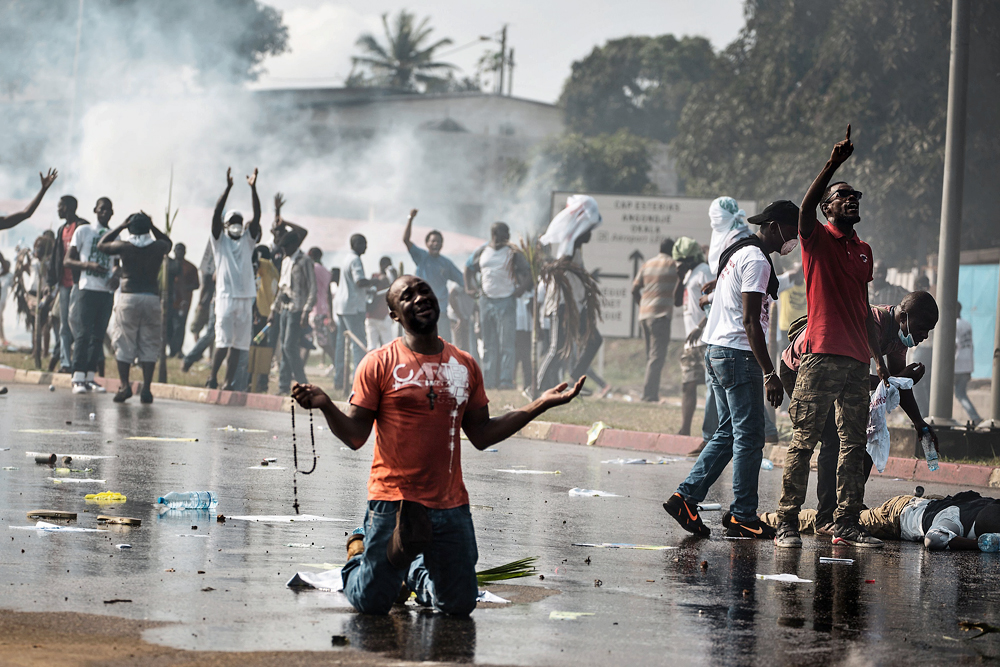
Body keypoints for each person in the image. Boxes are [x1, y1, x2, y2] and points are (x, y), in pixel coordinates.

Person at [290, 274, 585, 615]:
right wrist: (326, 404)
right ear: (395, 316)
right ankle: (360, 554)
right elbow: (356, 436)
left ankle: (413, 573)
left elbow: (483, 433)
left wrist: (540, 404)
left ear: (436, 300)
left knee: (458, 606)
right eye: (407, 296)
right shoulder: (378, 363)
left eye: (424, 291)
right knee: (371, 603)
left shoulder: (464, 364)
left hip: (450, 504)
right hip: (392, 502)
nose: (419, 298)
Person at [774, 126, 890, 550]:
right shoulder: (817, 238)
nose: (851, 198)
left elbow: (862, 306)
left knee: (852, 445)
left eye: (854, 194)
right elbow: (804, 208)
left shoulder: (864, 250)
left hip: (858, 361)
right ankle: (786, 522)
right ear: (827, 209)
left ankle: (846, 522)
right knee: (804, 441)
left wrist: (878, 360)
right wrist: (833, 163)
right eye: (842, 195)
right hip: (820, 355)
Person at [663, 200, 800, 540]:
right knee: (751, 436)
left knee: (728, 433)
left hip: (718, 351)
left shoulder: (744, 253)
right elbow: (751, 321)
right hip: (739, 355)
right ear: (774, 226)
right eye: (792, 230)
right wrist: (770, 372)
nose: (794, 238)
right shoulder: (755, 260)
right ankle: (742, 515)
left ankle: (685, 498)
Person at [778, 290, 940, 536]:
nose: (924, 336)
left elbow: (897, 383)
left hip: (841, 373)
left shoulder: (898, 337)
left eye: (929, 331)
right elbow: (858, 377)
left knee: (863, 436)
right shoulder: (873, 322)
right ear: (904, 317)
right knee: (831, 439)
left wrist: (920, 424)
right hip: (800, 367)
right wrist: (897, 380)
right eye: (922, 328)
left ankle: (847, 507)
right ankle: (825, 516)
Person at [762, 491, 1000, 551]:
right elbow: (933, 539)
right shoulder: (955, 521)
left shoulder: (988, 507)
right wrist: (979, 544)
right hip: (896, 516)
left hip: (929, 502)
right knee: (833, 522)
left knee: (854, 513)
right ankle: (767, 520)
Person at [97, 213, 172, 403]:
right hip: (151, 298)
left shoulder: (125, 247)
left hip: (129, 298)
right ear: (148, 229)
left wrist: (121, 226)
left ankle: (125, 385)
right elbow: (168, 242)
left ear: (130, 229)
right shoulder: (158, 247)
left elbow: (102, 245)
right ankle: (146, 388)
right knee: (149, 343)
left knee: (124, 341)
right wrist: (153, 226)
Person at [208, 167, 262, 390]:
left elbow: (257, 217)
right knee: (223, 342)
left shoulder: (248, 241)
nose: (238, 223)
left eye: (241, 220)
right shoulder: (220, 242)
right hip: (226, 298)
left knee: (238, 346)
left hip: (246, 298)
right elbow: (215, 215)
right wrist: (228, 188)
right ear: (226, 224)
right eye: (234, 220)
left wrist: (253, 188)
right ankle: (212, 377)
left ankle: (228, 382)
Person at [465, 223, 531, 390]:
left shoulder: (513, 252)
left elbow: (529, 272)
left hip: (506, 301)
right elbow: (468, 268)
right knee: (488, 343)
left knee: (506, 343)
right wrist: (469, 287)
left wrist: (520, 290)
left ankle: (505, 381)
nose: (508, 236)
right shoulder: (482, 251)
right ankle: (488, 381)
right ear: (495, 233)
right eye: (505, 232)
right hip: (486, 301)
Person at [64, 197, 115, 394]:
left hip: (106, 290)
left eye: (108, 210)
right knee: (83, 333)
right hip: (87, 287)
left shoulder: (113, 235)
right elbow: (68, 261)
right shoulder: (84, 231)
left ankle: (90, 377)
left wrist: (117, 275)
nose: (105, 213)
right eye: (102, 209)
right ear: (95, 210)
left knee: (98, 335)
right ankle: (77, 377)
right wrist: (88, 265)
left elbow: (117, 262)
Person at [672, 237, 713, 436]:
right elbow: (677, 303)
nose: (681, 264)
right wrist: (680, 278)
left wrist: (700, 326)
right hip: (691, 342)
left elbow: (714, 303)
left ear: (691, 258)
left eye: (683, 261)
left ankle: (711, 432)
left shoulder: (704, 271)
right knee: (687, 384)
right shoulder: (689, 274)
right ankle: (685, 429)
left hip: (705, 339)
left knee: (711, 389)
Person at [403, 209, 464, 342]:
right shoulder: (421, 256)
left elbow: (463, 280)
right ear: (427, 243)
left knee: (442, 344)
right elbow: (406, 240)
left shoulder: (446, 264)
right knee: (420, 344)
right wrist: (410, 219)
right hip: (420, 309)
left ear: (442, 244)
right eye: (433, 241)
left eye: (438, 241)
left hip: (440, 312)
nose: (435, 244)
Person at [631, 238, 677, 403]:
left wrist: (642, 304)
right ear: (672, 250)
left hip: (644, 315)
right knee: (657, 357)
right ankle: (649, 395)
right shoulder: (673, 265)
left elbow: (634, 289)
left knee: (650, 356)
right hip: (660, 315)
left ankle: (650, 392)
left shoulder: (648, 264)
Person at [48, 190, 87, 374]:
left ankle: (81, 361)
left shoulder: (82, 227)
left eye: (60, 206)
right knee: (64, 325)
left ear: (69, 208)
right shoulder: (61, 230)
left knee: (77, 323)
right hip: (64, 284)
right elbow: (57, 256)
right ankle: (65, 363)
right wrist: (51, 280)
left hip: (79, 282)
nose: (58, 210)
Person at [274, 231, 316, 395]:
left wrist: (306, 310)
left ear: (294, 245)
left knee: (289, 346)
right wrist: (274, 309)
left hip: (298, 310)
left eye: (286, 247)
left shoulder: (305, 261)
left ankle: (303, 382)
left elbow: (312, 287)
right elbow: (281, 287)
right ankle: (283, 386)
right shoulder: (285, 261)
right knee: (284, 347)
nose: (284, 250)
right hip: (285, 308)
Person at [333, 234, 372, 389]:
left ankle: (339, 381)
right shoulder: (355, 259)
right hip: (353, 307)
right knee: (358, 344)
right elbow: (360, 281)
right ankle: (359, 382)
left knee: (341, 345)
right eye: (364, 243)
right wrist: (376, 281)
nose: (366, 247)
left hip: (342, 306)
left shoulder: (346, 258)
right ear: (356, 244)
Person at [250, 245, 279, 393]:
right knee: (265, 350)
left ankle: (251, 380)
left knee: (254, 348)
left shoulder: (263, 265)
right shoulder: (274, 269)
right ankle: (262, 382)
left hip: (260, 312)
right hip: (268, 313)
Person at [165, 243, 199, 358]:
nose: (179, 252)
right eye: (177, 250)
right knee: (168, 326)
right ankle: (171, 349)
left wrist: (184, 288)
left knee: (180, 326)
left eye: (181, 250)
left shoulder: (190, 267)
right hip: (170, 301)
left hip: (183, 301)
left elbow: (196, 285)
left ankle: (178, 350)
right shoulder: (168, 265)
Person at [306, 247, 336, 377]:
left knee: (314, 341)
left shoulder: (312, 269)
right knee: (317, 341)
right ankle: (337, 363)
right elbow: (328, 293)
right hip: (321, 310)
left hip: (313, 310)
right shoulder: (324, 270)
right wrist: (330, 313)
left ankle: (337, 363)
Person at [954, 302, 980, 424]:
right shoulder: (967, 324)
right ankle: (975, 417)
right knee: (961, 393)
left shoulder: (954, 325)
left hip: (956, 364)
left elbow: (953, 345)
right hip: (967, 364)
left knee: (956, 394)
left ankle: (975, 417)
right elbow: (971, 346)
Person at [365, 257, 395, 350]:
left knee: (372, 347)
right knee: (388, 346)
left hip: (371, 316)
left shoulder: (374, 277)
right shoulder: (386, 279)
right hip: (382, 316)